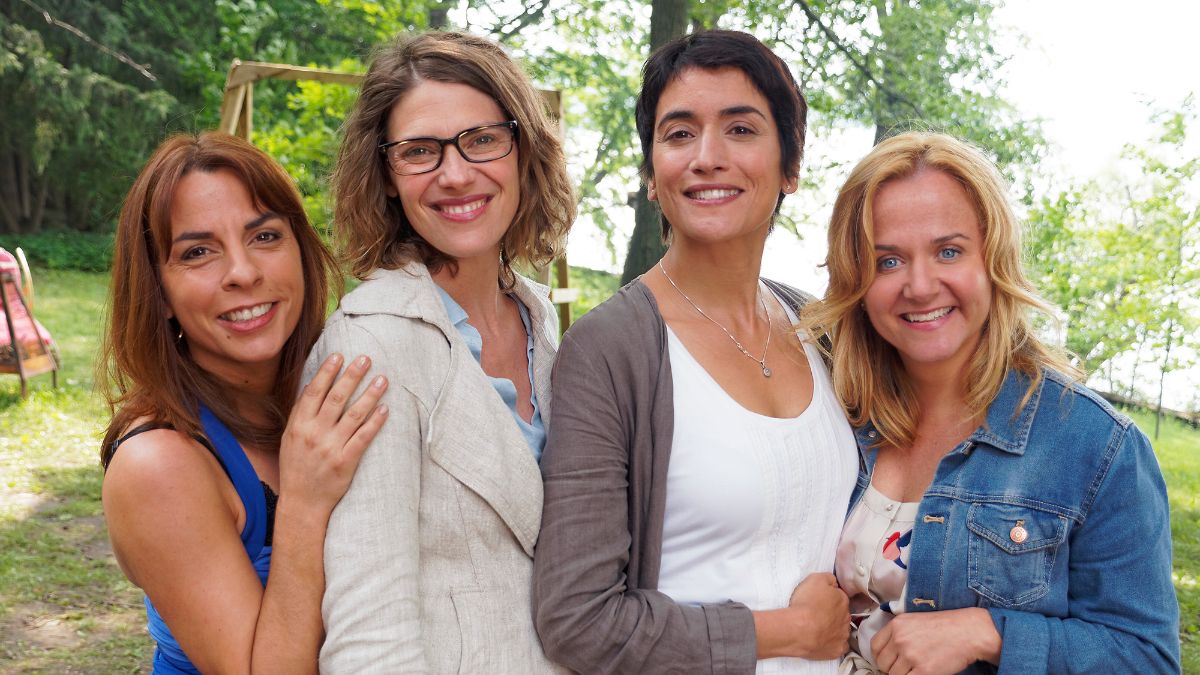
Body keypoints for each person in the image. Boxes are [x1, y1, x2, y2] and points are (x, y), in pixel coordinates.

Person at [533, 30, 857, 674]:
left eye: (740, 129)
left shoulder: (822, 329)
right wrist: (786, 631)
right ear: (653, 175)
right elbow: (578, 620)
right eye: (679, 134)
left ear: (790, 167)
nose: (707, 157)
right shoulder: (610, 350)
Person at [807, 131, 1179, 675]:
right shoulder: (831, 413)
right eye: (887, 261)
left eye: (948, 251)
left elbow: (1146, 658)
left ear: (993, 258)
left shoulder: (1097, 449)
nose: (919, 284)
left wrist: (991, 633)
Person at [309, 31, 575, 672]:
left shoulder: (540, 318)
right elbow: (368, 635)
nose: (455, 174)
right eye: (419, 152)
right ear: (386, 175)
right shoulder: (369, 342)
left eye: (482, 139)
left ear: (523, 150)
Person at [99, 132, 388, 674]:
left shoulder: (335, 391)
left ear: (300, 251)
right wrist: (303, 501)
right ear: (158, 293)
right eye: (198, 252)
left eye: (265, 236)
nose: (243, 272)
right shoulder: (159, 466)